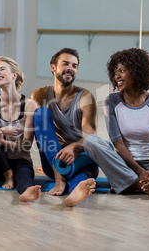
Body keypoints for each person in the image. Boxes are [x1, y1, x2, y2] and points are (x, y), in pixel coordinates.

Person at [84, 48, 149, 197]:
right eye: (115, 71)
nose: (117, 75)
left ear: (137, 72)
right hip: (123, 166)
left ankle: (132, 184)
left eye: (122, 70)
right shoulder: (111, 101)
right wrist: (139, 171)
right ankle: (140, 184)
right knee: (90, 141)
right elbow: (118, 145)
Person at [31, 48, 97, 207]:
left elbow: (90, 135)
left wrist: (74, 147)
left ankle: (77, 190)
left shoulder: (85, 96)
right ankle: (60, 178)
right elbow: (40, 131)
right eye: (65, 64)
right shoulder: (39, 95)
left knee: (80, 173)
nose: (70, 69)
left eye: (74, 66)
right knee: (40, 113)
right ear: (53, 67)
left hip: (80, 159)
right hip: (53, 163)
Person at [0, 56, 41, 202]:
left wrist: (2, 140)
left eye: (1, 69)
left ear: (14, 75)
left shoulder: (29, 105)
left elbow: (27, 144)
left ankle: (28, 191)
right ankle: (8, 174)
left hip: (20, 159)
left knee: (25, 177)